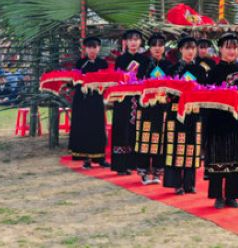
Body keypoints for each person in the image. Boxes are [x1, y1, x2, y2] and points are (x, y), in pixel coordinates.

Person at [205, 33, 238, 209]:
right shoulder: (214, 72)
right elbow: (208, 96)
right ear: (221, 49)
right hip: (218, 121)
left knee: (236, 157)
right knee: (218, 156)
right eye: (228, 47)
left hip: (237, 121)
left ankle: (232, 195)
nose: (232, 51)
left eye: (235, 48)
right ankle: (218, 195)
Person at [163, 37, 206, 195]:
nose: (191, 51)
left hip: (194, 112)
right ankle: (176, 183)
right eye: (187, 48)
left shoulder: (200, 70)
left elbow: (204, 90)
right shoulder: (173, 69)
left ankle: (189, 183)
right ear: (180, 50)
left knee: (192, 147)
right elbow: (167, 91)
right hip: (175, 112)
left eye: (193, 48)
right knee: (176, 146)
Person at [134, 33, 173, 185]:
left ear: (164, 47)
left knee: (161, 138)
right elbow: (137, 82)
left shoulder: (169, 65)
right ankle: (143, 171)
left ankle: (157, 170)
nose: (157, 48)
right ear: (150, 48)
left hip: (162, 107)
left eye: (160, 45)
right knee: (145, 137)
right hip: (146, 107)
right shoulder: (143, 63)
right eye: (154, 45)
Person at [112, 29, 150, 175]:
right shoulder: (120, 60)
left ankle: (134, 163)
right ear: (126, 42)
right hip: (123, 100)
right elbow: (117, 80)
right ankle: (121, 166)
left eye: (136, 39)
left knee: (136, 131)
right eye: (131, 40)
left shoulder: (145, 60)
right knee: (122, 130)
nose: (133, 42)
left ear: (140, 42)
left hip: (139, 99)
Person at [69, 37, 110, 169]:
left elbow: (107, 82)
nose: (92, 50)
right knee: (84, 127)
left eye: (95, 47)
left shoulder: (103, 64)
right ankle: (86, 158)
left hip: (97, 99)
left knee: (98, 127)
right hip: (82, 99)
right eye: (89, 47)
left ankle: (100, 158)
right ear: (85, 49)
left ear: (99, 48)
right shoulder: (80, 63)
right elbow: (74, 81)